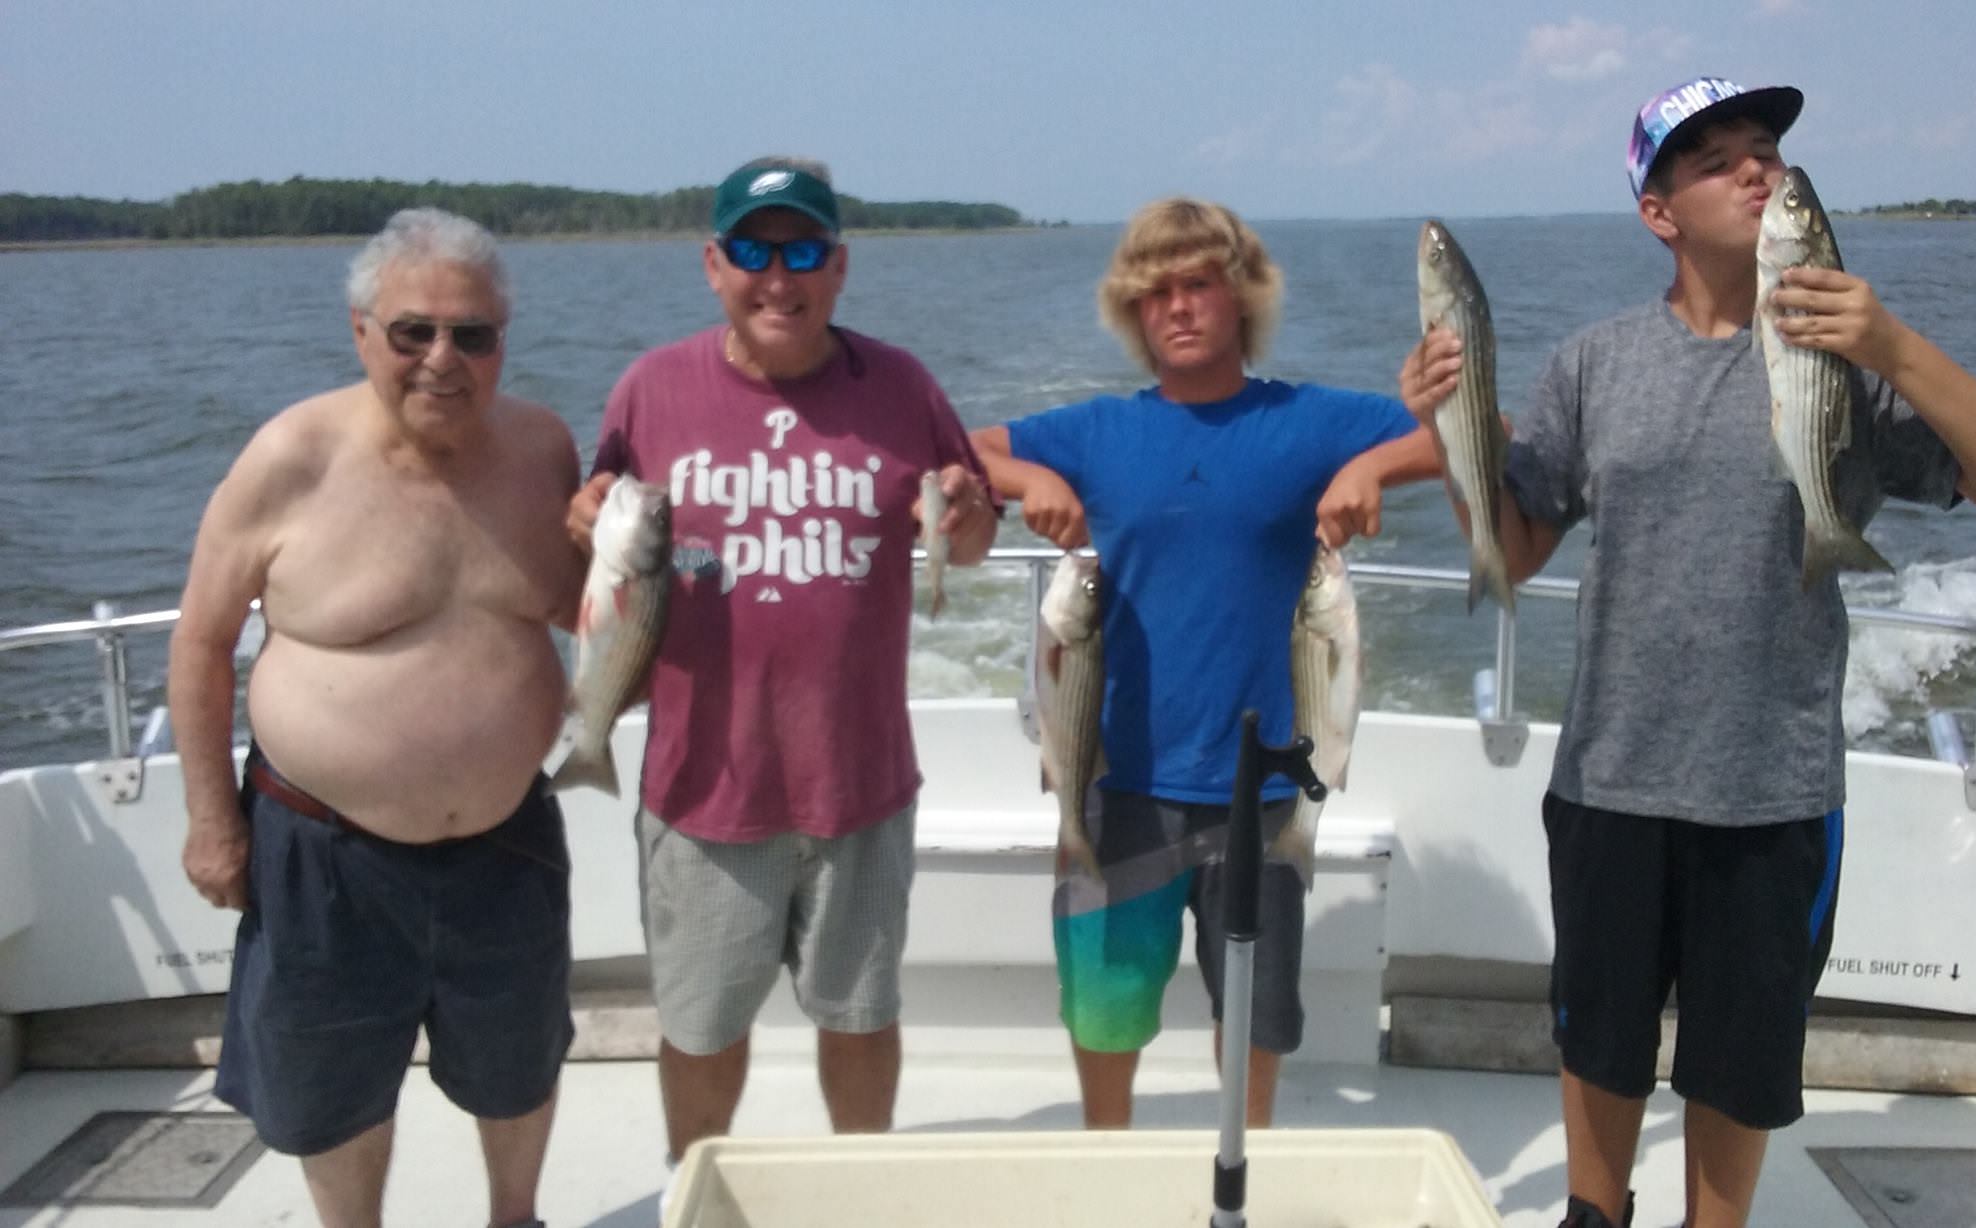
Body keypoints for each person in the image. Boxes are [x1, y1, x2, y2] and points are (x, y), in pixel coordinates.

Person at [1399, 77, 1976, 1228]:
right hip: (1608, 775)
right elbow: (1515, 539)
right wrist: (1443, 432)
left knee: (1737, 1063)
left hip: (1772, 786)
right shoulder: (1593, 362)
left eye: (1766, 152)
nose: (1754, 170)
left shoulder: (1844, 360)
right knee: (1596, 1039)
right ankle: (1592, 1216)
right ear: (1657, 210)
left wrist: (1892, 343)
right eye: (1715, 159)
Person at [565, 157, 999, 1179]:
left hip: (858, 784)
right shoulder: (650, 386)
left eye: (801, 250)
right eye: (752, 251)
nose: (777, 276)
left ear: (839, 267)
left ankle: (855, 1192)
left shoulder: (899, 384)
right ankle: (697, 1183)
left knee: (859, 1015)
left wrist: (969, 518)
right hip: (702, 789)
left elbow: (966, 535)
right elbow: (594, 510)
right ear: (712, 265)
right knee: (702, 1027)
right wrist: (585, 515)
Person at [970, 197, 1438, 1128]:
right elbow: (953, 452)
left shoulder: (1307, 421)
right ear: (1133, 315)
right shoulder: (1099, 433)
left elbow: (1477, 439)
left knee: (1255, 1015)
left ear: (1244, 299)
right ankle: (1109, 1153)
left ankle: (1242, 1160)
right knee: (1104, 1010)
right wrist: (1036, 480)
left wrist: (1372, 471)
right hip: (1117, 779)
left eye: (1200, 286)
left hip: (1260, 788)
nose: (1179, 308)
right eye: (1156, 294)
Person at [168, 207, 585, 1228]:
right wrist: (214, 822)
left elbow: (594, 608)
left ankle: (514, 1218)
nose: (443, 358)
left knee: (520, 1060)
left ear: (501, 343)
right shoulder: (288, 458)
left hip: (506, 844)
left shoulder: (543, 451)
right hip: (323, 850)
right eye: (414, 331)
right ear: (363, 333)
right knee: (327, 1083)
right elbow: (200, 642)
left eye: (472, 334)